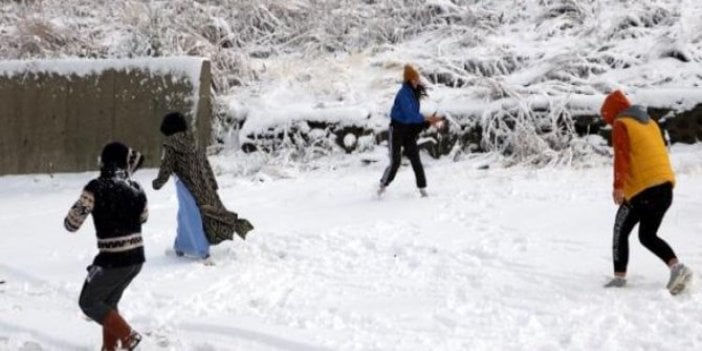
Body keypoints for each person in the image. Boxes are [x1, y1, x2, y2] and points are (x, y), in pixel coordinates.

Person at [600, 90, 692, 295]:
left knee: (620, 230)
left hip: (644, 190)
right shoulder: (650, 123)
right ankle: (678, 269)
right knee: (647, 235)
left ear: (613, 113)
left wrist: (618, 186)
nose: (609, 123)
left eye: (608, 118)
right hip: (665, 188)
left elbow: (621, 156)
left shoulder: (621, 123)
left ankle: (619, 278)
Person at [64, 142, 147, 350]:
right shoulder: (136, 188)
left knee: (89, 302)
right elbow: (143, 217)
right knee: (108, 302)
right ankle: (109, 348)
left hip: (114, 260)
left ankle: (128, 336)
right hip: (136, 259)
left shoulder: (96, 187)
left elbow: (72, 223)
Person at [152, 112, 254, 257]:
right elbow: (205, 164)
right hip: (203, 184)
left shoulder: (171, 144)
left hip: (186, 186)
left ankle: (201, 251)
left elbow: (166, 166)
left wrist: (157, 183)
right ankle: (181, 246)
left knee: (190, 216)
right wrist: (212, 184)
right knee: (198, 213)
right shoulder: (194, 141)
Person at [378, 64, 443, 197]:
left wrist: (430, 120)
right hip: (397, 129)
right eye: (414, 79)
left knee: (416, 160)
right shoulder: (403, 94)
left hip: (409, 131)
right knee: (395, 162)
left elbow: (420, 111)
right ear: (408, 80)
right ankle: (383, 185)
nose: (417, 81)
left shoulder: (415, 91)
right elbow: (410, 115)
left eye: (417, 78)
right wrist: (428, 119)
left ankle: (422, 188)